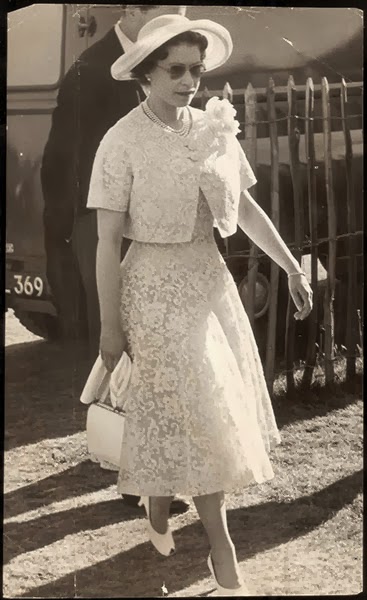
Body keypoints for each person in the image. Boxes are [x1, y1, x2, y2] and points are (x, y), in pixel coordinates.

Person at [87, 14, 313, 595]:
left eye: (198, 68)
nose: (190, 80)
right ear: (144, 74)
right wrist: (111, 330)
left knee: (197, 411)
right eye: (176, 69)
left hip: (208, 282)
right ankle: (222, 549)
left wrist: (290, 266)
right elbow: (107, 242)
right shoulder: (120, 140)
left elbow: (247, 208)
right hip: (151, 289)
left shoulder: (215, 128)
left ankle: (159, 507)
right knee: (197, 409)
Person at [41, 4, 189, 515]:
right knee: (120, 347)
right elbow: (64, 167)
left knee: (150, 356)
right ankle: (135, 473)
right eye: (171, 7)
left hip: (152, 235)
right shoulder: (88, 72)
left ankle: (142, 474)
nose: (182, 16)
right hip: (103, 230)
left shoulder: (169, 64)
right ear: (133, 10)